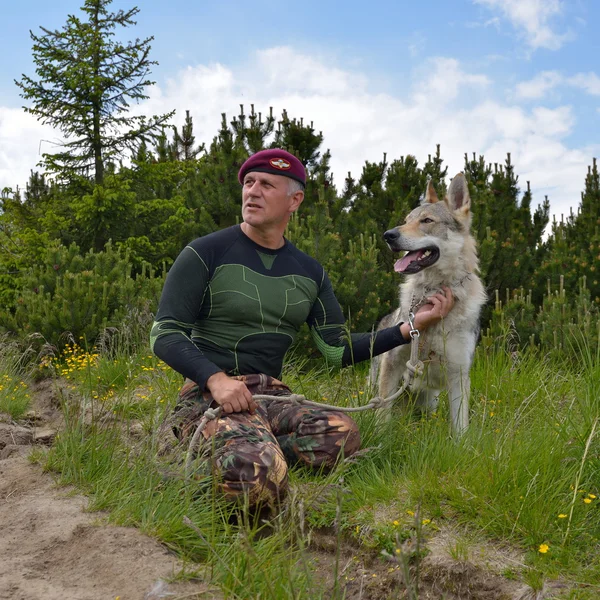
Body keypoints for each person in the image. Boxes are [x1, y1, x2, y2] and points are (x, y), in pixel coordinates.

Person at [151, 148, 454, 506]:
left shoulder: (309, 272)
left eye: (266, 184)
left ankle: (249, 446)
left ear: (294, 200)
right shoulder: (204, 252)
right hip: (208, 395)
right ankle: (223, 454)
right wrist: (216, 380)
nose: (252, 191)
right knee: (254, 476)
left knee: (341, 437)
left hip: (270, 397)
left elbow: (335, 350)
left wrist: (409, 328)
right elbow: (165, 334)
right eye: (248, 183)